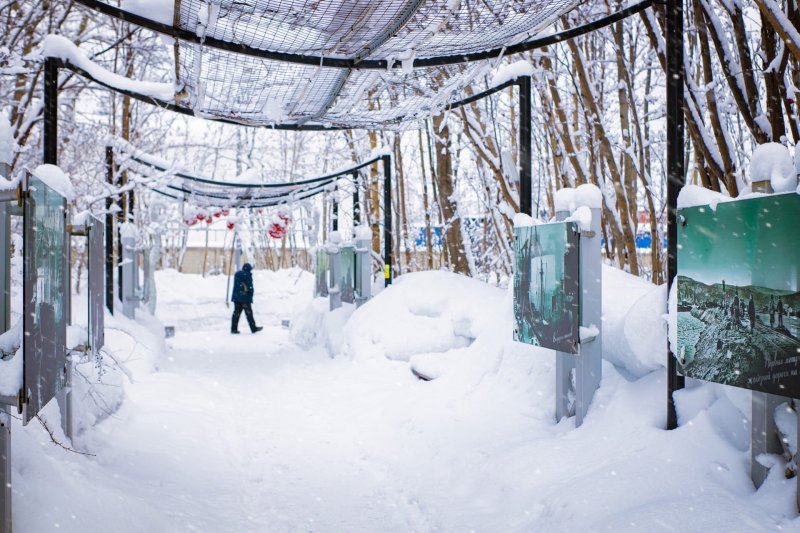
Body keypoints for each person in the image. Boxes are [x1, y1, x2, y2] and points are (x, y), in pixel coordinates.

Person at [230, 263, 263, 334]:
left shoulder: (237, 274)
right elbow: (250, 288)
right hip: (245, 299)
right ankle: (253, 328)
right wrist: (250, 298)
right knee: (249, 314)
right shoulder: (247, 275)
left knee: (236, 314)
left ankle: (233, 329)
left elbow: (237, 287)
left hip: (236, 298)